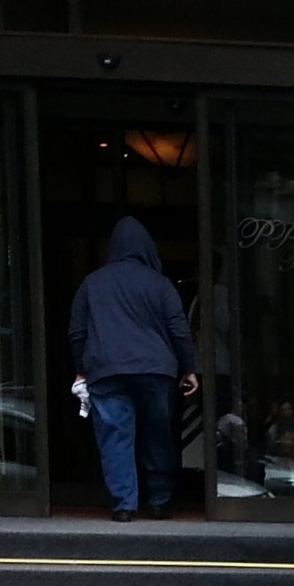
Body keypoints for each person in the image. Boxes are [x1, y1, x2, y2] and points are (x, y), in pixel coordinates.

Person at [68, 217, 198, 521]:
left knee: (115, 436)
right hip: (156, 369)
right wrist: (189, 368)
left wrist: (80, 368)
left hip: (106, 368)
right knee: (158, 434)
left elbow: (77, 331)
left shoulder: (92, 283)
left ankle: (124, 505)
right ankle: (160, 499)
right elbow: (178, 329)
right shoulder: (160, 284)